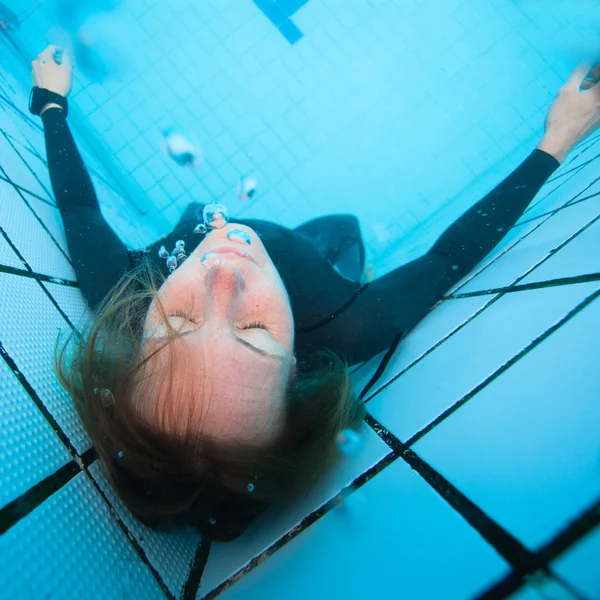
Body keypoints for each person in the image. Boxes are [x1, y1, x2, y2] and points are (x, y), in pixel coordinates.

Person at [30, 44, 600, 541]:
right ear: (297, 375)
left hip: (262, 253)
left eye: (178, 319)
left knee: (221, 227)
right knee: (344, 229)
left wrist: (50, 101)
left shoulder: (121, 296)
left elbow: (79, 207)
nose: (222, 273)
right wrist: (558, 140)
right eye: (254, 331)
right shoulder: (351, 326)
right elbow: (447, 258)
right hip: (318, 265)